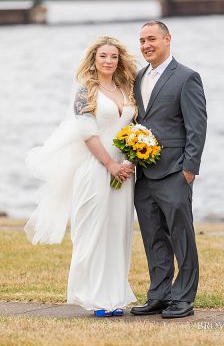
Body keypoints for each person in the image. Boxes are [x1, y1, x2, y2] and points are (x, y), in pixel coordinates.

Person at [25, 36, 138, 317]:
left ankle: (116, 298)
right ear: (94, 60)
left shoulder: (127, 89)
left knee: (119, 232)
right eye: (103, 56)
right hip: (96, 168)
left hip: (125, 172)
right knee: (93, 231)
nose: (108, 61)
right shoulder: (85, 90)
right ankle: (96, 298)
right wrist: (110, 164)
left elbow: (136, 128)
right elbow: (86, 132)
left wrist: (132, 159)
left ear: (119, 60)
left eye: (113, 56)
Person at [129, 21, 207, 318]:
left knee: (181, 235)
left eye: (151, 39)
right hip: (144, 173)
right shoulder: (137, 77)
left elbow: (197, 126)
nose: (146, 45)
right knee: (153, 236)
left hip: (174, 171)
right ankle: (159, 294)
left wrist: (189, 169)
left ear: (167, 39)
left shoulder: (187, 77)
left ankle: (183, 297)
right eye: (142, 41)